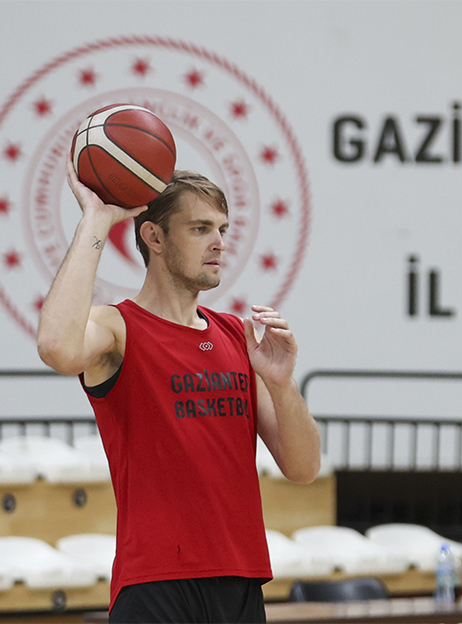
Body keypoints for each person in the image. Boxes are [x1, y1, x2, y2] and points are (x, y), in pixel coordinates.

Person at [37, 162, 321, 623]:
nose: (219, 243)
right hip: (155, 584)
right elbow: (56, 346)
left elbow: (305, 467)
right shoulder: (118, 327)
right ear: (154, 237)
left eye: (222, 229)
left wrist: (282, 383)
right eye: (200, 228)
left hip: (240, 580)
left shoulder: (238, 336)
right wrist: (95, 219)